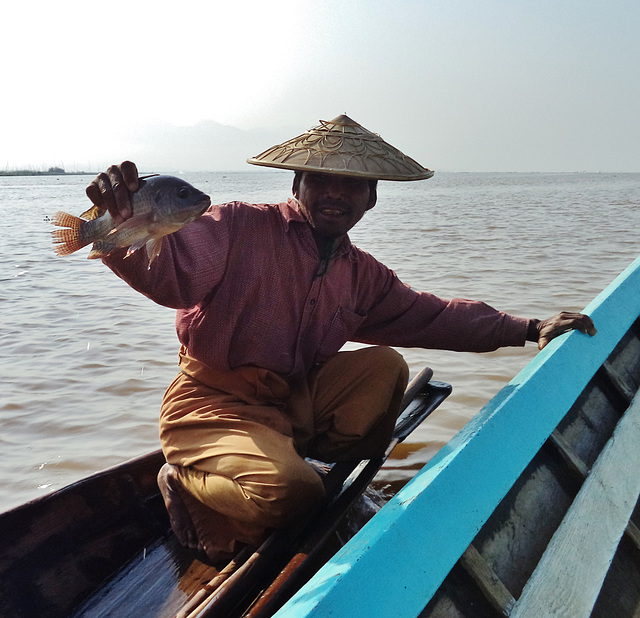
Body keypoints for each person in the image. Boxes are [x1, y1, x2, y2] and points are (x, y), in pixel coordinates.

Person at [86, 114, 596, 563]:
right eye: (322, 180)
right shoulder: (236, 224)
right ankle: (183, 480)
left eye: (353, 185)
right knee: (293, 495)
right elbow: (175, 275)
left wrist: (528, 329)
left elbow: (432, 316)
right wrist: (123, 228)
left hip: (290, 400)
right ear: (297, 185)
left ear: (371, 198)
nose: (336, 194)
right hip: (212, 404)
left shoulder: (360, 273)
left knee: (385, 366)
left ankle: (282, 449)